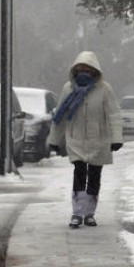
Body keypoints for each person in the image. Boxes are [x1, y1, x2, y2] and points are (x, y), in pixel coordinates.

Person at [48, 51, 123, 229]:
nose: (84, 71)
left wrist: (116, 138)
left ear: (95, 70)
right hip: (76, 138)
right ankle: (77, 212)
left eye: (88, 68)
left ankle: (90, 213)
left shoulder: (104, 89)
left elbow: (114, 114)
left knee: (95, 175)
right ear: (75, 69)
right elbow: (60, 115)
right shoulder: (68, 88)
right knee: (79, 172)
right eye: (81, 67)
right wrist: (54, 139)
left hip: (99, 139)